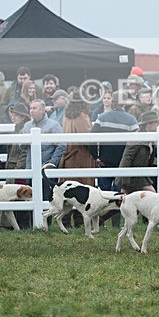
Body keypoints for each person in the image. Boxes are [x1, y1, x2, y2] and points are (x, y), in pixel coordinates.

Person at [57, 90, 95, 228]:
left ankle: (65, 220)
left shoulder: (66, 116)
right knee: (83, 188)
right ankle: (79, 221)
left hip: (68, 154)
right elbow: (88, 138)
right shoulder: (82, 116)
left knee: (68, 188)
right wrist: (95, 154)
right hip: (81, 155)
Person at [23, 99, 66, 202]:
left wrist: (52, 163)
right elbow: (22, 146)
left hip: (46, 168)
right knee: (30, 198)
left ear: (43, 110)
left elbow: (61, 145)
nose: (31, 111)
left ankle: (46, 218)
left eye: (35, 108)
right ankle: (33, 219)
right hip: (30, 167)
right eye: (30, 108)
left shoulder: (54, 125)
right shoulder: (27, 125)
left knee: (46, 198)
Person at [115, 110, 159, 194]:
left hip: (140, 175)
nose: (157, 125)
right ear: (148, 124)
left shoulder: (150, 137)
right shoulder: (137, 138)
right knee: (151, 193)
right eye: (155, 123)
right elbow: (127, 158)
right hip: (132, 176)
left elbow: (152, 150)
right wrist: (125, 178)